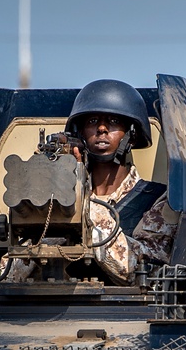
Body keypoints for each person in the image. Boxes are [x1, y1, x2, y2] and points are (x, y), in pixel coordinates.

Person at [65, 79, 176, 285]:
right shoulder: (64, 198)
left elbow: (139, 269)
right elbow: (14, 271)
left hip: (128, 314)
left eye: (113, 122)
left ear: (132, 135)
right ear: (80, 133)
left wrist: (85, 206)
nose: (102, 129)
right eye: (92, 121)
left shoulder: (157, 201)